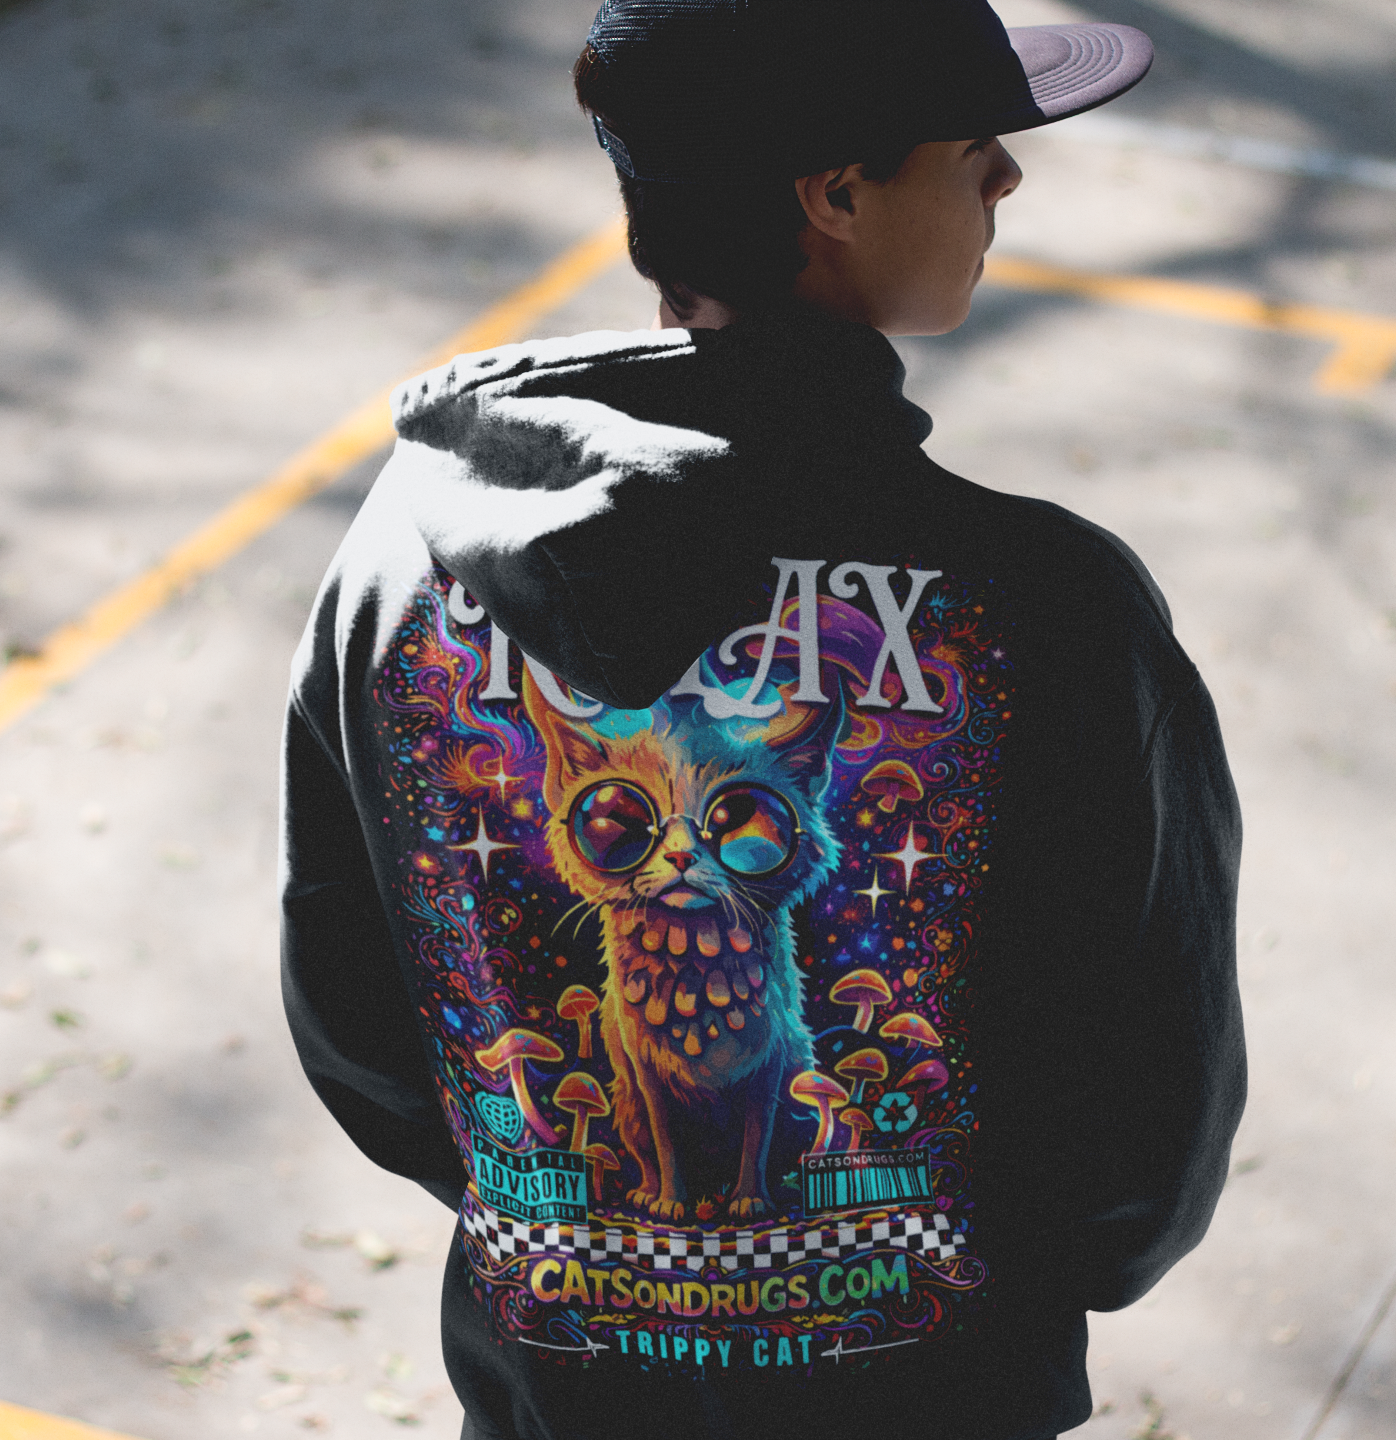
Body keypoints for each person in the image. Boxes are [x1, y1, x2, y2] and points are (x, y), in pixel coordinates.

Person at [279, 3, 1245, 1437]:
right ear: (837, 193)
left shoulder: (402, 561)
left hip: (554, 1391)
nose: (1007, 178)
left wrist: (580, 1238)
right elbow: (1151, 1079)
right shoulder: (1047, 602)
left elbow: (355, 1007)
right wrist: (1047, 1284)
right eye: (972, 148)